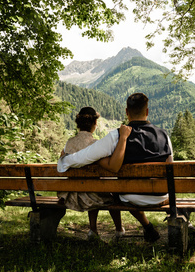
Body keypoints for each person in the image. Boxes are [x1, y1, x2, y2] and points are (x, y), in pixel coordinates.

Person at [58, 93, 173, 242]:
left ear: (126, 112)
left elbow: (85, 156)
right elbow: (170, 166)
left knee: (120, 194)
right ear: (147, 112)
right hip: (161, 195)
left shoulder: (116, 136)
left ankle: (146, 226)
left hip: (130, 197)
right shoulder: (164, 135)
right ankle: (153, 226)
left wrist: (65, 160)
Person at [58, 106, 132, 240]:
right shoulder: (95, 145)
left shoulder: (68, 143)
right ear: (95, 124)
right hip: (91, 195)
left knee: (90, 186)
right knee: (110, 194)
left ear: (78, 124)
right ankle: (119, 229)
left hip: (70, 195)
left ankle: (93, 230)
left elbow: (62, 160)